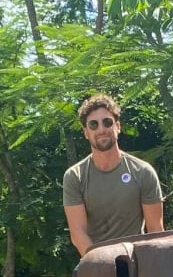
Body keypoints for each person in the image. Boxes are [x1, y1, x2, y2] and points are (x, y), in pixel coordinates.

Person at [62, 94, 164, 257]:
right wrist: (102, 266)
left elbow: (156, 231)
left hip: (137, 262)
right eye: (93, 125)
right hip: (96, 263)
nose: (101, 129)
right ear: (86, 133)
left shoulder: (143, 172)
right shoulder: (75, 177)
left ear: (117, 126)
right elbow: (78, 234)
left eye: (107, 122)